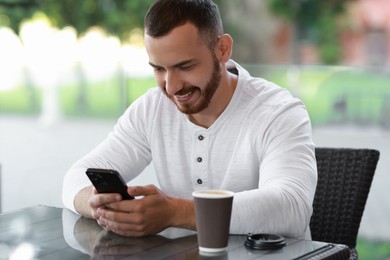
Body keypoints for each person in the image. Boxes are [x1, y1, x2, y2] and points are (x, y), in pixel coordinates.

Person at [62, 0, 317, 239]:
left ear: (222, 49)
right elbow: (76, 177)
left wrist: (175, 212)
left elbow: (291, 208)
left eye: (185, 67)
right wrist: (97, 205)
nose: (171, 87)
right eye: (159, 69)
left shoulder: (279, 112)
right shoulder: (152, 109)